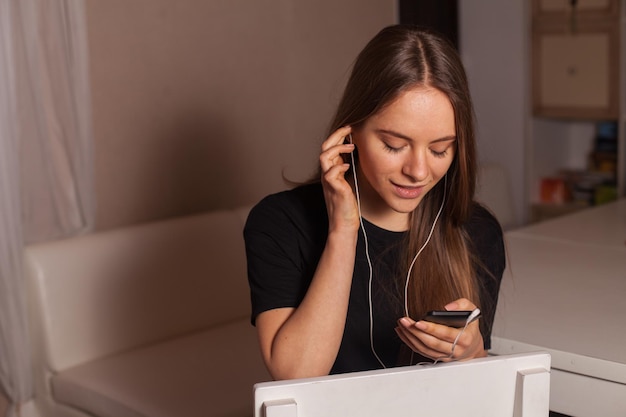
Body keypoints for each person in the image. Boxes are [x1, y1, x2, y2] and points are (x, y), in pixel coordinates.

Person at [244, 24, 505, 380]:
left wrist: (473, 353)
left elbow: (477, 388)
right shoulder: (280, 223)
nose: (418, 171)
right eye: (394, 146)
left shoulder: (477, 231)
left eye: (440, 149)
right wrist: (343, 230)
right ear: (349, 135)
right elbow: (296, 376)